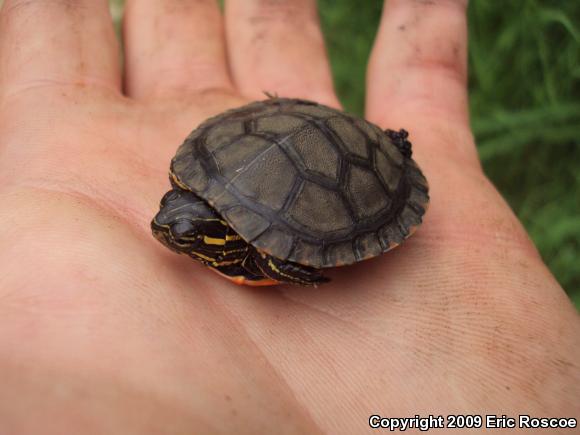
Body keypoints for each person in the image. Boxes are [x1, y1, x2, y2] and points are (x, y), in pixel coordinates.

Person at [0, 1, 578, 433]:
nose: (165, 228)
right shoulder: (201, 197)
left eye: (180, 230)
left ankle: (374, 145)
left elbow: (292, 247)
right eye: (174, 220)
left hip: (345, 160)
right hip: (277, 136)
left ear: (211, 239)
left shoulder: (259, 250)